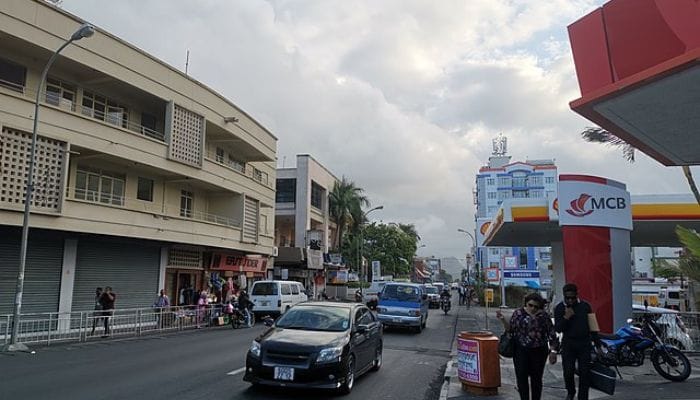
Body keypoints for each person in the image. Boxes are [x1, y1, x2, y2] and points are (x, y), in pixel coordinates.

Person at [497, 293, 558, 400]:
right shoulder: (518, 313)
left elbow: (552, 334)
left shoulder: (543, 316)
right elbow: (510, 329)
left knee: (536, 379)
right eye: (530, 305)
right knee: (521, 378)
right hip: (521, 350)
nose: (533, 308)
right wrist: (502, 319)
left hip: (539, 351)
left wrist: (553, 352)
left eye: (536, 306)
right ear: (526, 303)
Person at [554, 283, 595, 400]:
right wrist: (566, 317)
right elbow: (558, 328)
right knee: (568, 371)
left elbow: (593, 326)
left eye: (573, 297)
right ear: (564, 296)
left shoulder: (585, 306)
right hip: (569, 343)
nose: (570, 300)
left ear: (577, 295)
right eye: (568, 298)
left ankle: (583, 397)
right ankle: (570, 391)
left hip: (584, 343)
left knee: (585, 373)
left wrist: (597, 345)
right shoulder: (560, 308)